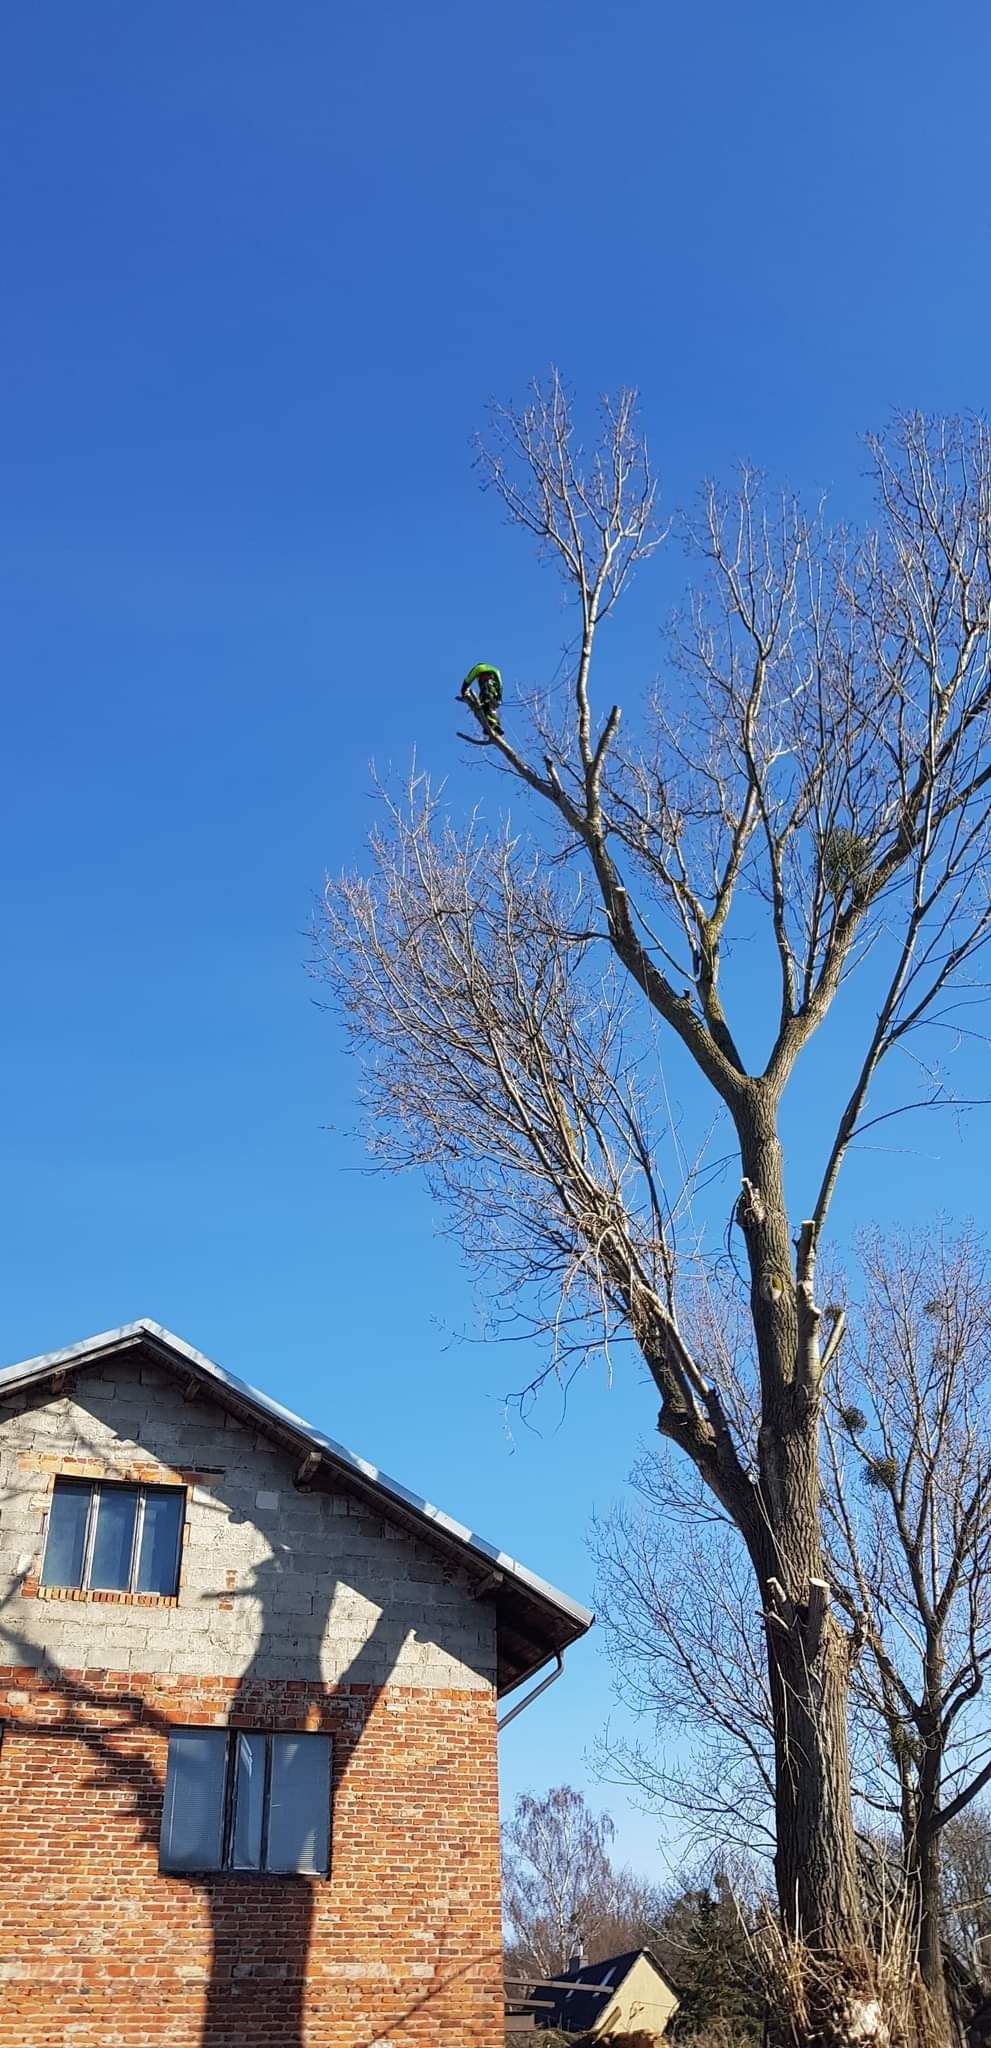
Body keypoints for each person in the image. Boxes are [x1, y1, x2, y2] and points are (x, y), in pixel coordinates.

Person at [458, 663, 503, 737]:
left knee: (484, 703)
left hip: (487, 687)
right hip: (494, 691)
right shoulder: (496, 671)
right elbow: (500, 685)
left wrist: (463, 689)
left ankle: (491, 723)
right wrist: (499, 697)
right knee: (492, 707)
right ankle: (496, 725)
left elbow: (469, 678)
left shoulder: (479, 667)